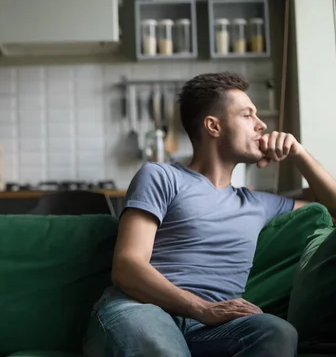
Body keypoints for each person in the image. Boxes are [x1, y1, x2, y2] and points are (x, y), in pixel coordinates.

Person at [83, 72, 336, 357]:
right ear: (214, 126)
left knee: (277, 332)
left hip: (213, 329)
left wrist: (299, 154)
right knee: (161, 348)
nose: (262, 125)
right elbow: (127, 266)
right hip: (142, 309)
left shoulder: (259, 204)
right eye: (247, 115)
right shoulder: (161, 176)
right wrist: (201, 308)